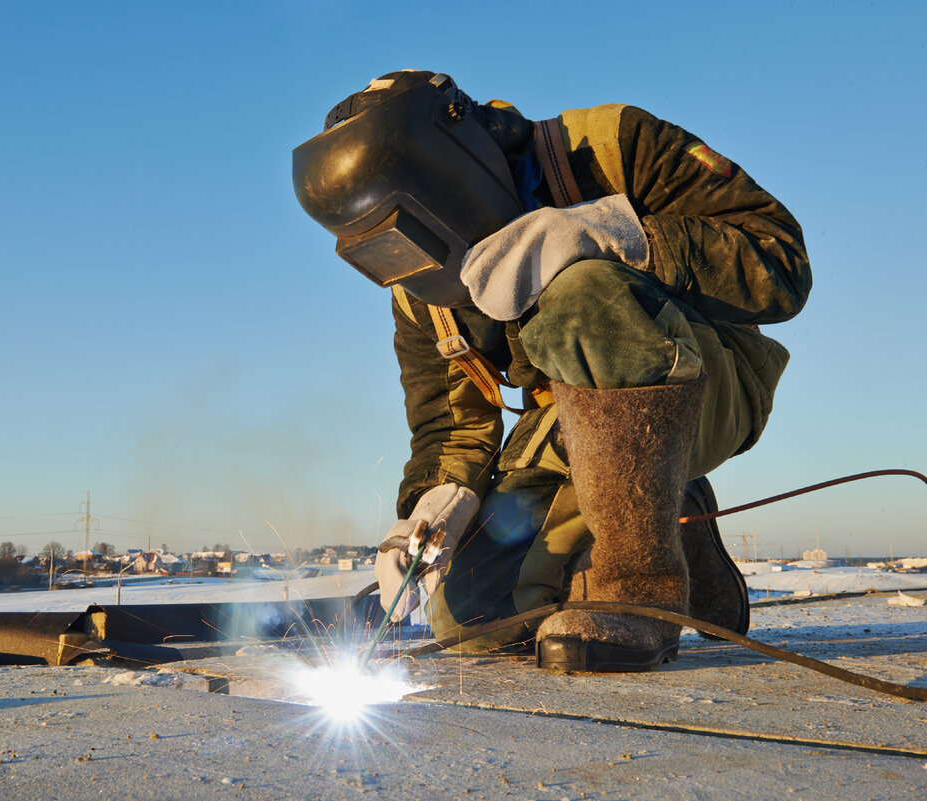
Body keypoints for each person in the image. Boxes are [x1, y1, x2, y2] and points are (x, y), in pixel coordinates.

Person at [292, 71, 811, 672]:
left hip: (704, 379)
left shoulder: (612, 146)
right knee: (471, 621)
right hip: (567, 428)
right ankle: (678, 523)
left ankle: (643, 587)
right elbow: (452, 427)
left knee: (582, 296)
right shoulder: (418, 287)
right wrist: (435, 507)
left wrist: (613, 236)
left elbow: (783, 263)